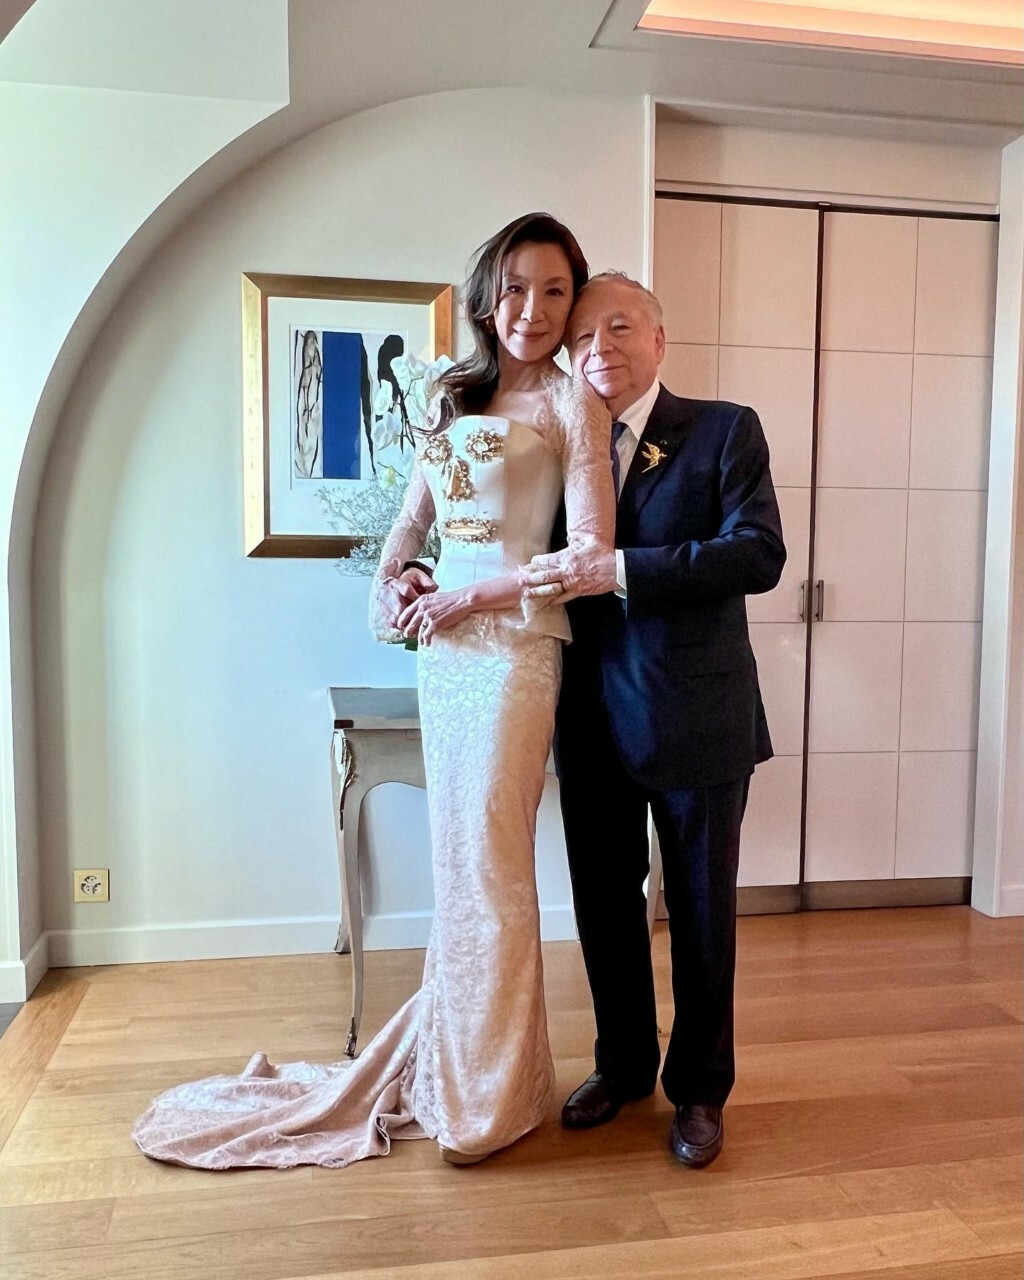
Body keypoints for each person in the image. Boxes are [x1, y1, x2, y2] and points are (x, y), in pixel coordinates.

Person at [131, 214, 614, 1170]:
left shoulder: (574, 403)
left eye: (556, 291)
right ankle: (459, 1073)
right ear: (487, 296)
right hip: (443, 656)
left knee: (494, 863)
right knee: (457, 867)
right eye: (517, 287)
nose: (534, 309)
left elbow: (591, 556)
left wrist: (474, 593)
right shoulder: (450, 392)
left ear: (573, 301)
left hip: (515, 651)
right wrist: (397, 581)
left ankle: (494, 1097)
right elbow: (410, 520)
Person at [522, 272, 786, 1169]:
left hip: (697, 718)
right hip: (589, 720)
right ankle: (624, 1065)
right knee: (603, 907)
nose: (599, 348)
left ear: (660, 340)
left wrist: (624, 570)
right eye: (581, 337)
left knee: (703, 912)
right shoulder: (553, 446)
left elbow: (758, 553)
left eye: (620, 327)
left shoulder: (723, 430)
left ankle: (702, 1090)